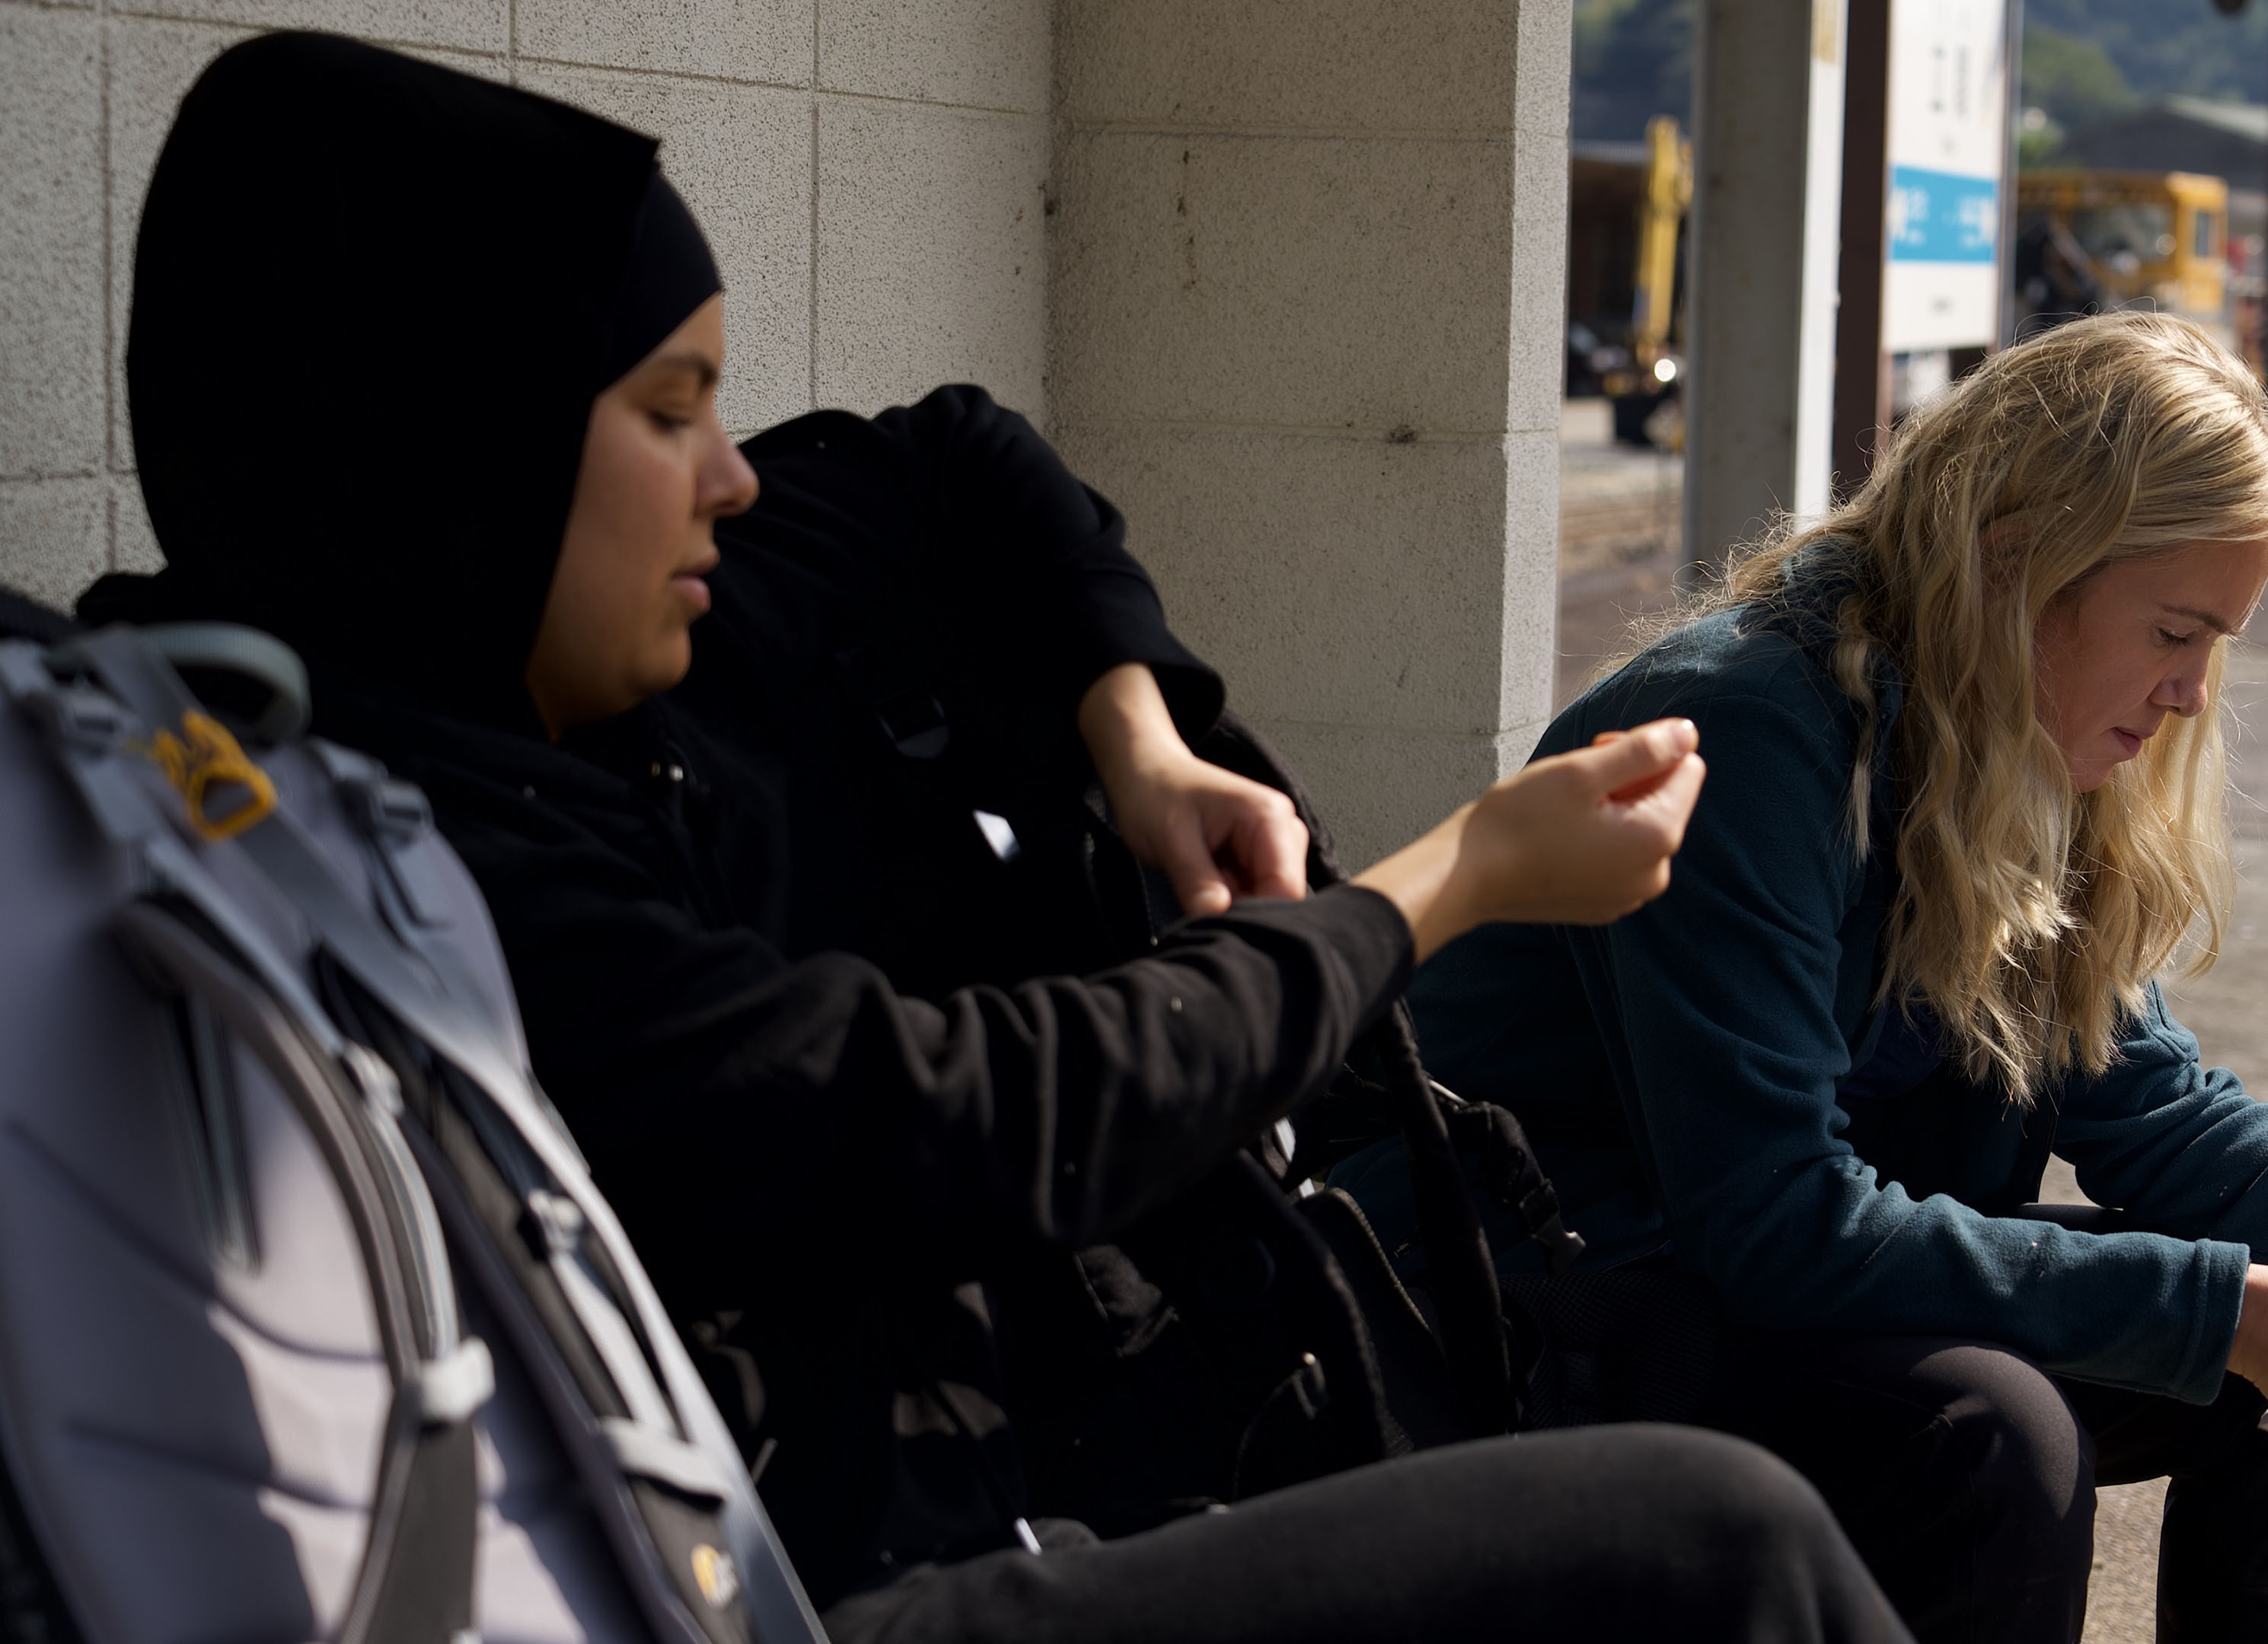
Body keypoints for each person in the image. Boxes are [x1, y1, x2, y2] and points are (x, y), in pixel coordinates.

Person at [80, 31, 1909, 1644]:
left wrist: (1135, 737)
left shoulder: (618, 643)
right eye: (666, 410)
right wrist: (1448, 886)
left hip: (996, 1461)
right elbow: (968, 1110)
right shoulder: (380, 859)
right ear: (451, 452)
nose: (731, 473)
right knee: (1712, 1542)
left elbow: (956, 460)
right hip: (796, 1581)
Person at [1377, 311, 2268, 1642]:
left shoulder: (2023, 738)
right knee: (1996, 1432)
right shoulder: (1748, 734)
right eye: (2175, 634)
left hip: (1762, 1284)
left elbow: (2170, 1128)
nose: (2192, 700)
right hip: (1539, 1298)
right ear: (2016, 567)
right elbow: (1775, 1222)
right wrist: (2230, 1312)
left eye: (2219, 648)